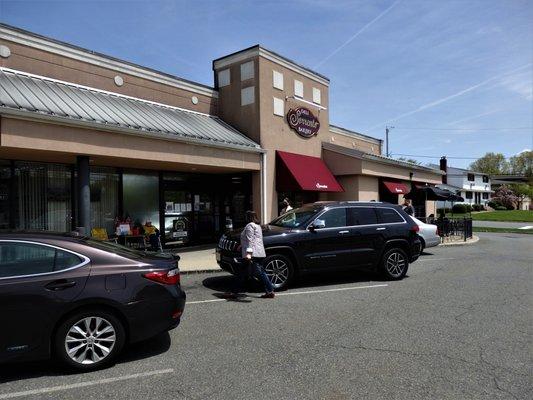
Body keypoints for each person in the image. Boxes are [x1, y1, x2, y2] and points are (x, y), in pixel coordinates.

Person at [227, 211, 275, 299]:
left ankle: (270, 290)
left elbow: (250, 240)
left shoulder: (249, 225)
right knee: (245, 273)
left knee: (258, 273)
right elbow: (255, 239)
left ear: (248, 217)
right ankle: (233, 292)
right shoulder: (258, 226)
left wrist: (249, 254)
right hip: (259, 252)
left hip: (252, 254)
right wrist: (241, 245)